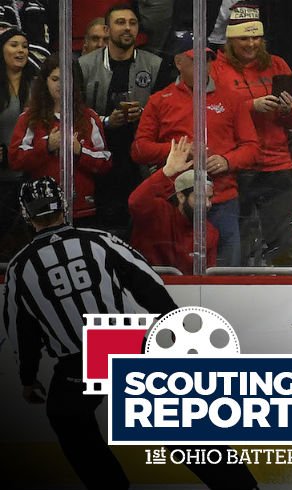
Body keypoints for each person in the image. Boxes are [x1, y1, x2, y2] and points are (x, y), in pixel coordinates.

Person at [1, 176, 259, 490]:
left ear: (27, 216)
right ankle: (239, 486)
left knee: (67, 418)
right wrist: (172, 325)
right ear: (64, 206)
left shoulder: (19, 266)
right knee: (174, 422)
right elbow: (147, 283)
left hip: (75, 362)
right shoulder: (98, 241)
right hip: (121, 342)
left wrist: (28, 378)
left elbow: (21, 328)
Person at [132, 47, 259, 268]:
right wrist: (175, 152)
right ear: (179, 62)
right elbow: (139, 149)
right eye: (195, 60)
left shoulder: (232, 98)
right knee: (179, 273)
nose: (204, 66)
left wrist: (227, 161)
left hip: (222, 200)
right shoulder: (159, 100)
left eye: (207, 60)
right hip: (177, 204)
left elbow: (252, 147)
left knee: (227, 277)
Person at [209, 2, 292, 266]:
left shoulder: (277, 64)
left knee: (283, 244)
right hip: (238, 169)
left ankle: (286, 296)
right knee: (238, 245)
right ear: (230, 39)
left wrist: (288, 109)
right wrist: (250, 107)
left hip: (277, 166)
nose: (251, 44)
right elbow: (211, 115)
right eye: (244, 38)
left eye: (256, 37)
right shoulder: (216, 71)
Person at [78, 4, 163, 239]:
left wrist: (144, 115)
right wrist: (106, 121)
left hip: (139, 163)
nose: (127, 28)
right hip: (97, 161)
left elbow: (166, 112)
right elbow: (76, 113)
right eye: (120, 22)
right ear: (107, 29)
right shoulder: (84, 66)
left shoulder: (155, 65)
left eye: (132, 23)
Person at [8, 53, 111, 227]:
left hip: (82, 208)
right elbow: (15, 159)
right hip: (42, 213)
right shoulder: (29, 118)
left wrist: (80, 151)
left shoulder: (89, 117)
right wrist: (47, 146)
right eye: (55, 79)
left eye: (66, 79)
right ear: (45, 81)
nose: (61, 85)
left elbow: (106, 161)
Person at [129, 136, 219, 275]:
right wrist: (167, 171)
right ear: (181, 196)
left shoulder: (209, 232)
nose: (207, 204)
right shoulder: (158, 212)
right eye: (201, 198)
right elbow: (135, 202)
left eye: (209, 198)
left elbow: (207, 278)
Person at [0, 28, 39, 261]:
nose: (21, 50)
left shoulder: (36, 85)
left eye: (24, 46)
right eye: (14, 45)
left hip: (28, 174)